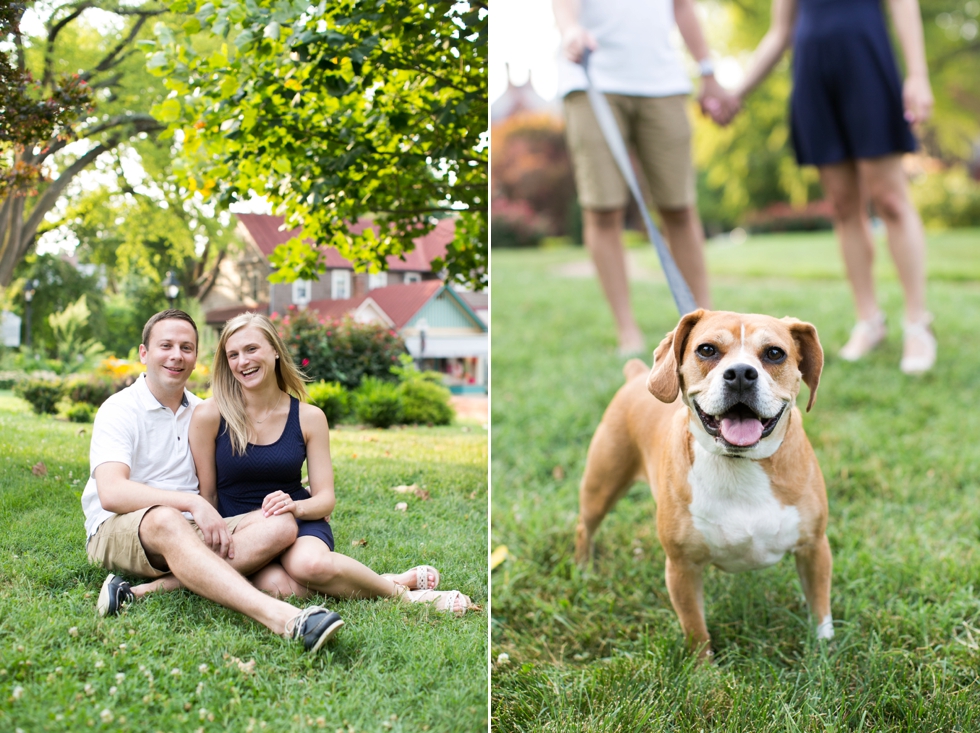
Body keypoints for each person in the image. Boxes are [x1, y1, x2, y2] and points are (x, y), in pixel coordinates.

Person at [81, 309, 343, 653]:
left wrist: (301, 503)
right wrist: (192, 503)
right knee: (165, 517)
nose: (177, 355)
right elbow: (112, 492)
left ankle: (136, 593)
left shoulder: (205, 412)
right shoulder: (119, 409)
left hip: (192, 530)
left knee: (280, 525)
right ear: (144, 354)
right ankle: (284, 619)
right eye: (166, 345)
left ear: (196, 359)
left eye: (186, 347)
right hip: (122, 528)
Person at [188, 312, 476, 613]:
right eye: (232, 355)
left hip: (298, 521)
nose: (242, 362)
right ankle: (386, 580)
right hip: (243, 532)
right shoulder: (210, 415)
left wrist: (295, 507)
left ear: (274, 350)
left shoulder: (309, 418)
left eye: (251, 349)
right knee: (286, 590)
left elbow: (325, 498)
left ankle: (404, 596)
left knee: (310, 565)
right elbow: (207, 496)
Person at [722, 0, 936, 374]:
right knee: (842, 205)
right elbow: (779, 32)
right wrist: (735, 93)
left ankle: (918, 323)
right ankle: (869, 320)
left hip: (867, 63)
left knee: (891, 201)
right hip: (813, 75)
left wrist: (917, 73)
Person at [553, 0, 734, 354]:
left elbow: (682, 6)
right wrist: (570, 29)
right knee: (603, 210)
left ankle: (706, 324)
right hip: (592, 76)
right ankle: (628, 332)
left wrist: (707, 71)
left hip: (662, 81)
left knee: (680, 206)